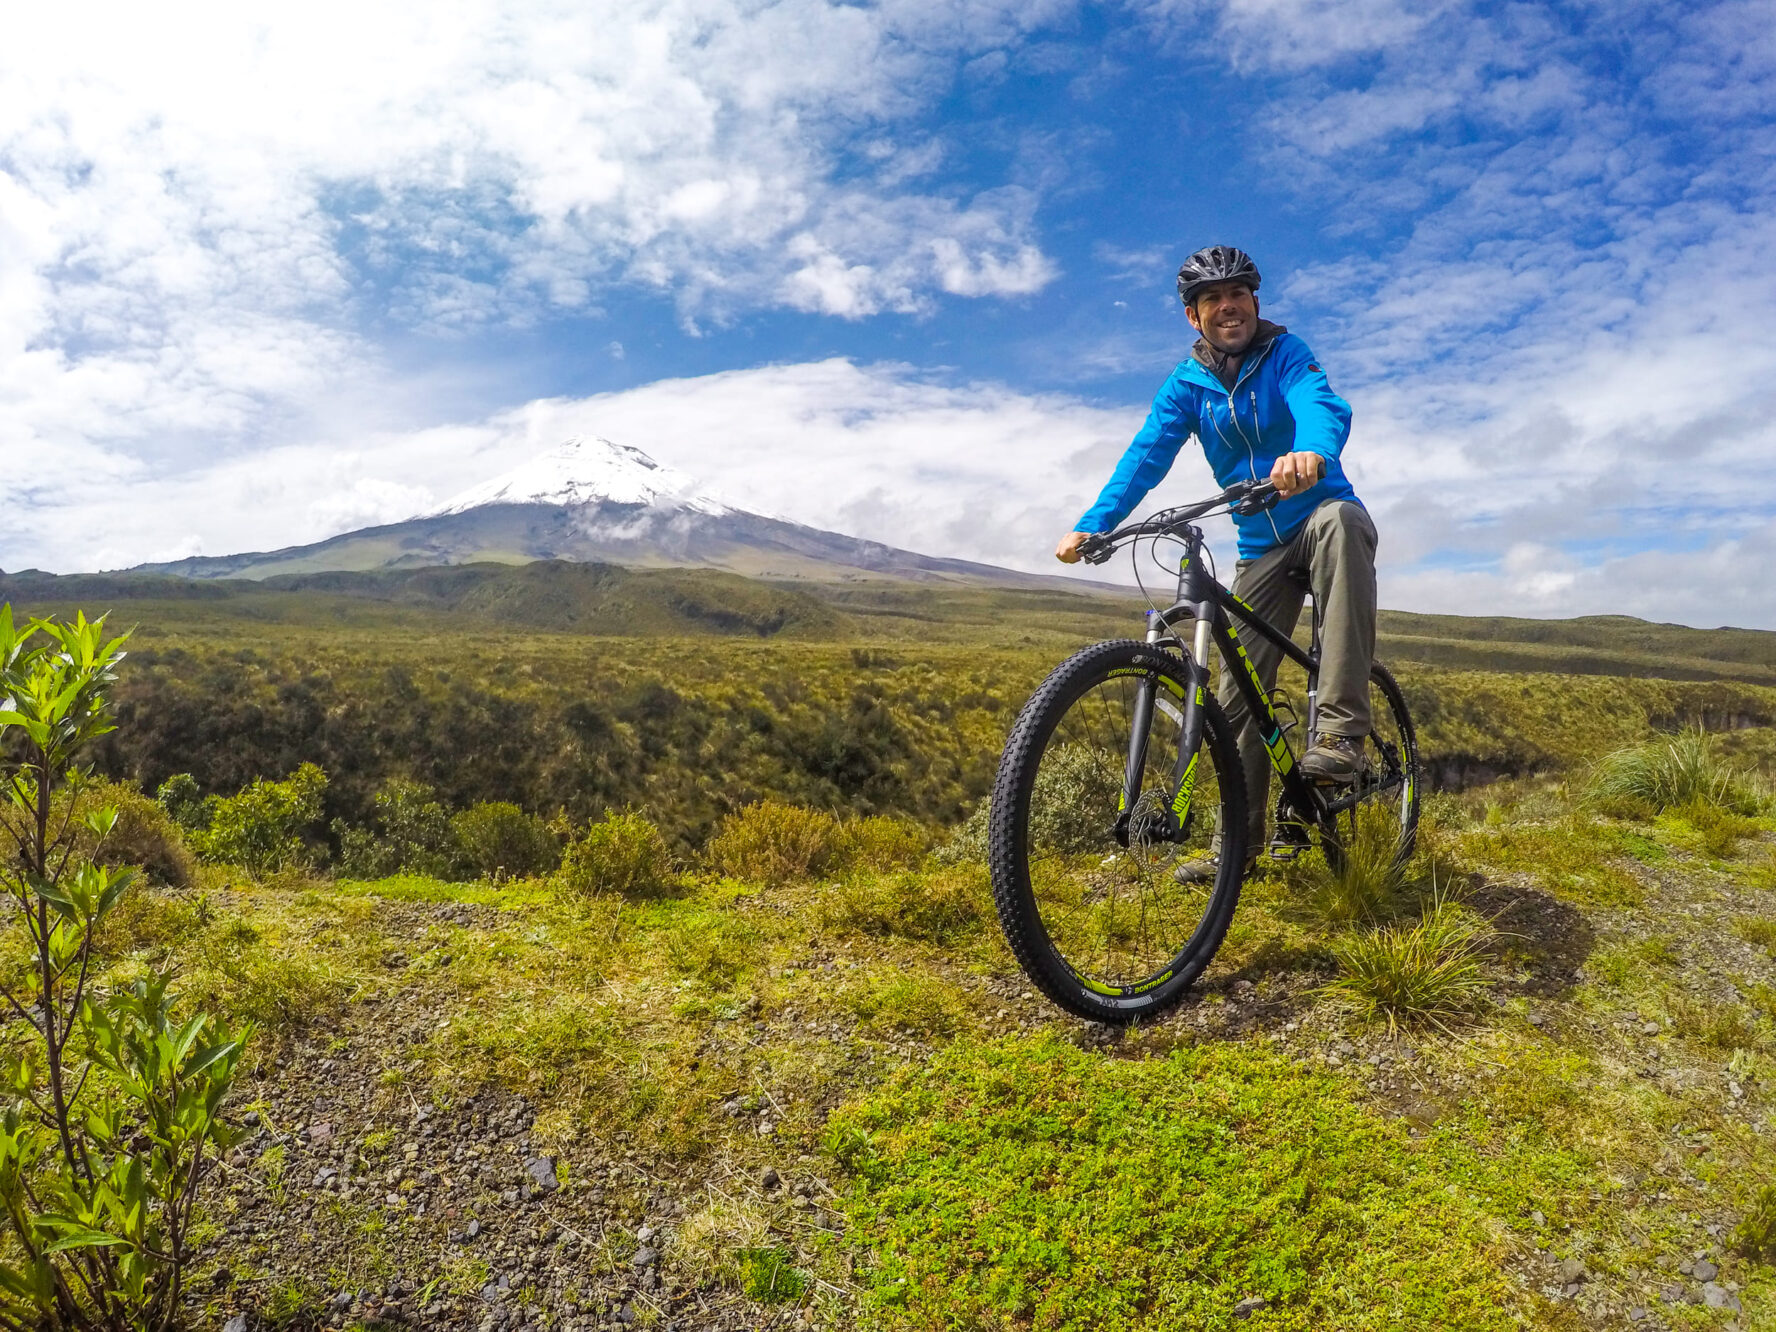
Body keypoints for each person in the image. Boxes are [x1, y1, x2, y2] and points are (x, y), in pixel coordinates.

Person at [1055, 245, 1378, 875]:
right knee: (1234, 697)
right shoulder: (1187, 385)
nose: (1227, 307)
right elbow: (1145, 456)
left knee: (1343, 523)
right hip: (1258, 544)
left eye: (1238, 295)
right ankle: (1241, 850)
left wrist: (1309, 451)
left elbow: (1320, 402)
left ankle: (1340, 733)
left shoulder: (1286, 353)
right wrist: (1093, 526)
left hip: (1316, 514)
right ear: (1193, 316)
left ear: (1255, 302)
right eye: (1212, 299)